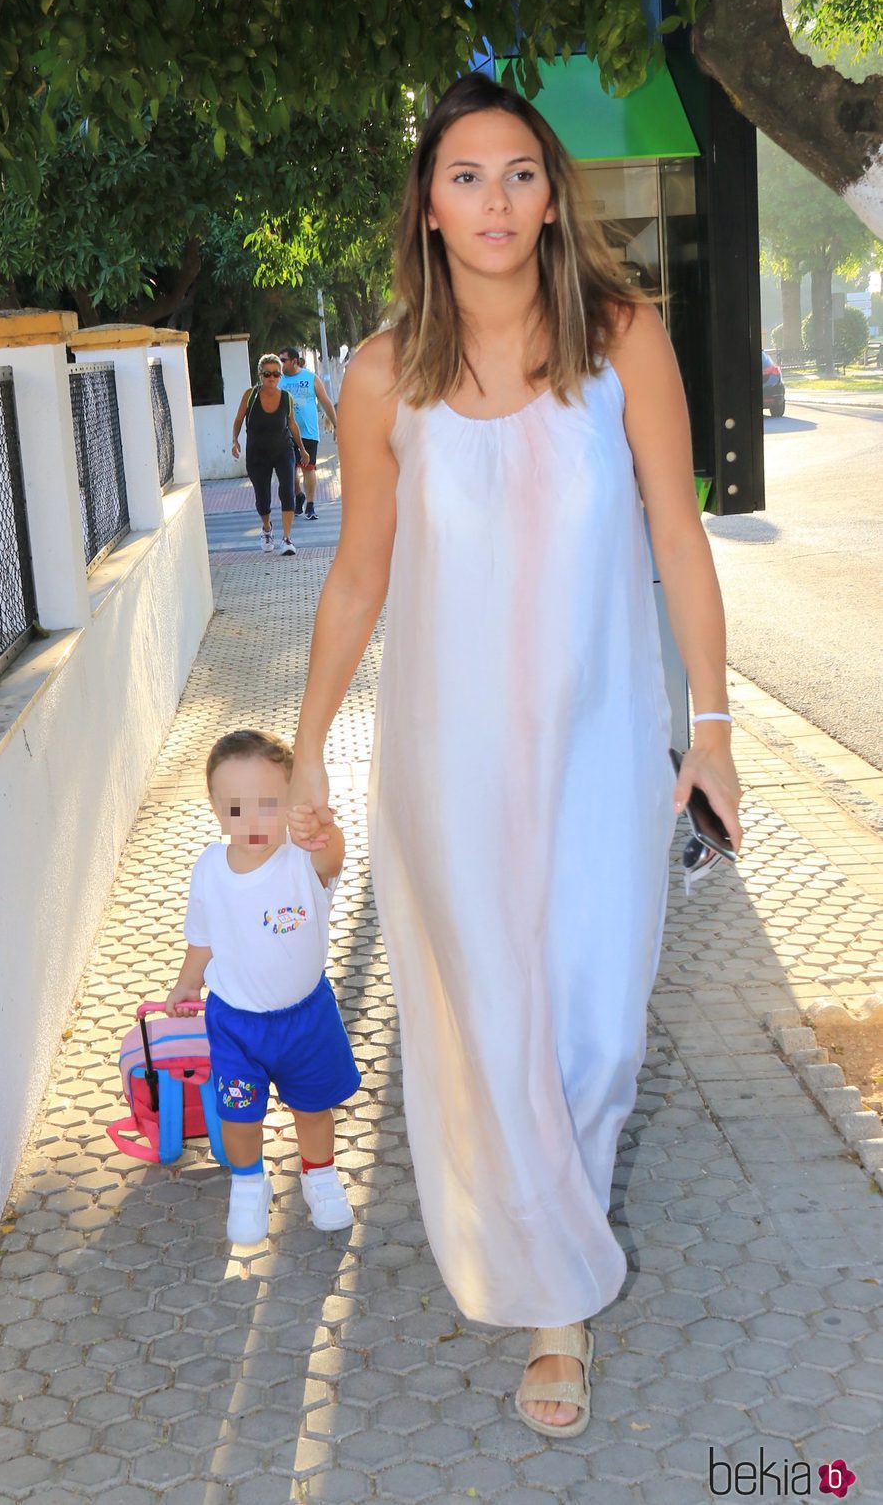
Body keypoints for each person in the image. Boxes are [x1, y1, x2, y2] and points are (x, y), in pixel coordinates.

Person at [286, 73, 742, 1438]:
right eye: (467, 175)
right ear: (427, 205)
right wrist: (306, 748)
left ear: (553, 194)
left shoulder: (622, 338)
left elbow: (676, 533)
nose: (497, 200)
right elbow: (361, 573)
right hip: (449, 761)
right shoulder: (381, 374)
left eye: (520, 173)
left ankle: (554, 1252)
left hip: (603, 751)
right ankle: (556, 1299)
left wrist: (711, 724)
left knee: (593, 1016)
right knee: (489, 1024)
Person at [164, 728, 360, 1245]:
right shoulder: (209, 870)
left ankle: (318, 1174)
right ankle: (250, 1183)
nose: (252, 822)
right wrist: (187, 985)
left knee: (313, 1109)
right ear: (214, 807)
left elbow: (333, 856)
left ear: (291, 799)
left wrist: (322, 828)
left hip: (306, 1019)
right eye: (236, 809)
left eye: (268, 804)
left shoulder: (303, 860)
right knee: (239, 1116)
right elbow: (203, 939)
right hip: (235, 1025)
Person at [231, 354, 310, 555]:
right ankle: (267, 529)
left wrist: (302, 448)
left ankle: (287, 539)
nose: (272, 378)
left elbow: (292, 424)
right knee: (262, 495)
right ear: (260, 375)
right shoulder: (250, 395)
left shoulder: (286, 398)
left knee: (287, 490)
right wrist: (235, 440)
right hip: (257, 453)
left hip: (284, 450)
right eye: (268, 374)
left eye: (276, 374)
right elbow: (239, 419)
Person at [279, 347, 338, 520]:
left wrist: (337, 426)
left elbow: (326, 402)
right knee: (290, 471)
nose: (281, 364)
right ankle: (299, 496)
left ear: (294, 361)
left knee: (308, 468)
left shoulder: (310, 378)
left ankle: (310, 505)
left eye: (284, 360)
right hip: (285, 434)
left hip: (308, 433)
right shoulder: (278, 380)